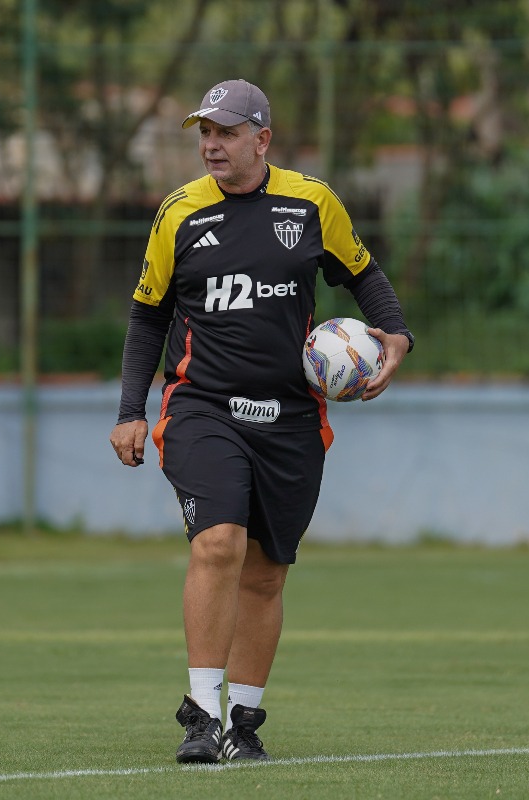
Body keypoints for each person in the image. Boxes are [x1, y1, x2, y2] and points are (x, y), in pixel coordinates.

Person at [109, 78, 414, 764]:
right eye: (204, 134)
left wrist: (395, 334)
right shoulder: (179, 214)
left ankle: (243, 722)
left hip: (291, 419)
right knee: (218, 542)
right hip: (201, 407)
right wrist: (132, 410)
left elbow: (361, 273)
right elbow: (147, 313)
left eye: (224, 132)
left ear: (261, 140)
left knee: (268, 570)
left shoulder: (311, 204)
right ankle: (201, 715)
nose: (211, 145)